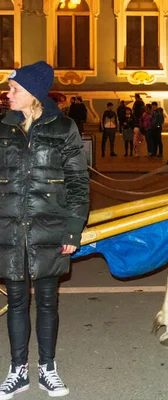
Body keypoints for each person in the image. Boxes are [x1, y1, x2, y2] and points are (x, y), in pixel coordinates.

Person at [0, 61, 89, 398]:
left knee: (48, 302)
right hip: (9, 230)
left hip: (50, 228)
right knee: (18, 302)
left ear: (32, 93)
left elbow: (79, 183)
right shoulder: (2, 129)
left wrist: (72, 231)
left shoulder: (64, 128)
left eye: (14, 89)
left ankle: (47, 368)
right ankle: (18, 369)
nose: (8, 94)